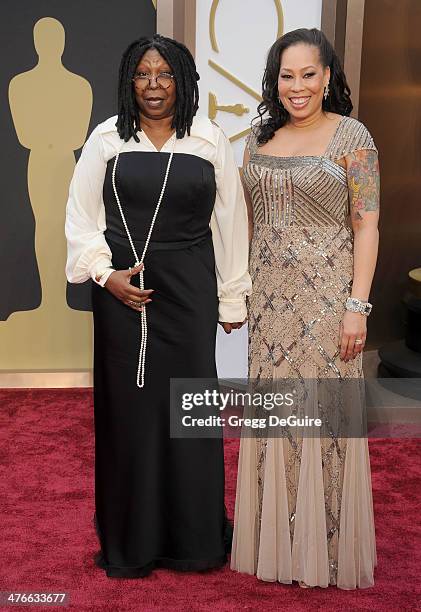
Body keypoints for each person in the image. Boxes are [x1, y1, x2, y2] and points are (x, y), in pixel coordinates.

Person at [65, 34, 251, 578]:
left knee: (189, 413)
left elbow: (230, 220)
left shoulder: (209, 138)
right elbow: (80, 218)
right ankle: (132, 544)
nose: (153, 84)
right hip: (125, 292)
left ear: (183, 81)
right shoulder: (107, 138)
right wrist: (107, 276)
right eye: (143, 74)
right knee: (131, 416)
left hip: (190, 291)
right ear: (129, 81)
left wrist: (231, 294)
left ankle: (195, 541)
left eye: (164, 74)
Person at [231, 28, 379, 589]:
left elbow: (367, 225)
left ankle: (329, 551)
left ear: (327, 77)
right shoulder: (256, 140)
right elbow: (247, 222)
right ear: (274, 81)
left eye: (308, 74)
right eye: (285, 76)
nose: (297, 87)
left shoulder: (351, 136)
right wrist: (238, 288)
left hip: (327, 306)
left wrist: (356, 307)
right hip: (270, 305)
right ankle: (280, 545)